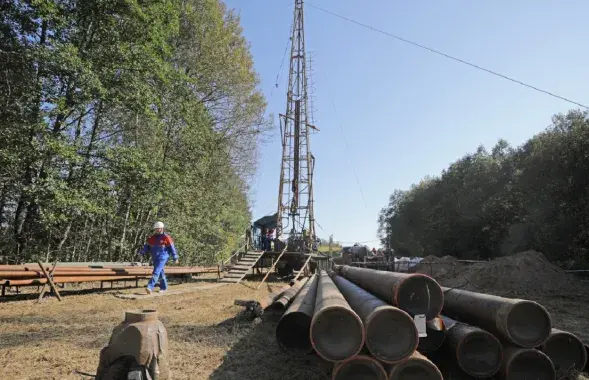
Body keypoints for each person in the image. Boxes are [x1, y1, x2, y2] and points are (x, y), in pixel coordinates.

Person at [139, 221, 178, 294]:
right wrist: (142, 252)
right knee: (160, 272)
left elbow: (172, 248)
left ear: (162, 228)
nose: (157, 230)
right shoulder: (152, 238)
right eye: (156, 229)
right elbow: (147, 246)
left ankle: (149, 287)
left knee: (156, 272)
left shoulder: (166, 237)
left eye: (158, 228)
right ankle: (164, 287)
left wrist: (175, 257)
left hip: (163, 257)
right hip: (155, 257)